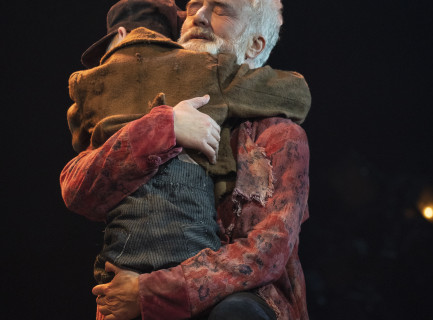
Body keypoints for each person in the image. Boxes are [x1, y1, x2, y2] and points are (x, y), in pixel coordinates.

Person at [61, 0, 311, 319]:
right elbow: (77, 191)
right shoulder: (152, 110)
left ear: (254, 45)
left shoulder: (279, 136)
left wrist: (151, 292)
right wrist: (164, 128)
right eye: (193, 7)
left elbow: (268, 251)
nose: (199, 17)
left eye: (220, 9)